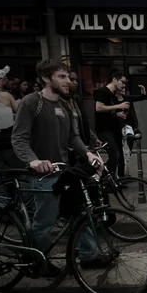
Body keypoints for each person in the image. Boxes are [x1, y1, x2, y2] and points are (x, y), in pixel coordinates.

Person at [11, 59, 105, 277]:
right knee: (44, 223)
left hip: (64, 172)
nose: (68, 81)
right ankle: (38, 262)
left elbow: (73, 137)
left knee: (80, 213)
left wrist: (89, 153)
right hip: (43, 175)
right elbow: (19, 138)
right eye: (61, 77)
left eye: (67, 77)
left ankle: (89, 256)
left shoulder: (64, 105)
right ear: (46, 78)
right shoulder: (31, 103)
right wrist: (34, 161)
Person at [94, 72, 130, 176]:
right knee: (114, 155)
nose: (124, 85)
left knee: (119, 155)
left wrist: (117, 114)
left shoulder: (113, 95)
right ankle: (104, 178)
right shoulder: (102, 92)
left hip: (114, 128)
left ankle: (113, 179)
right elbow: (99, 108)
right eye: (122, 82)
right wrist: (119, 106)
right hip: (104, 129)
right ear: (114, 79)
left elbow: (109, 110)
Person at [65, 70, 101, 155]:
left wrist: (94, 137)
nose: (75, 83)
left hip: (80, 141)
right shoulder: (60, 101)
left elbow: (81, 123)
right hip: (67, 145)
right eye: (71, 80)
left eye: (76, 80)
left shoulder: (76, 100)